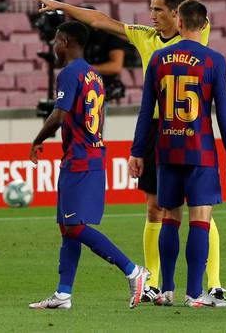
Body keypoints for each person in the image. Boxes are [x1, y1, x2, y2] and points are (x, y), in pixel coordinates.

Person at [34, 0, 226, 306]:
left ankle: (214, 281)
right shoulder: (144, 37)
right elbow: (99, 20)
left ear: (177, 14)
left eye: (157, 9)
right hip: (158, 131)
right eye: (150, 8)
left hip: (190, 129)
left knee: (198, 208)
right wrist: (60, 6)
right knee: (156, 206)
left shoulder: (197, 33)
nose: (150, 14)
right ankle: (154, 281)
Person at [28, 21, 149, 310]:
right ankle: (63, 294)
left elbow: (59, 115)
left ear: (66, 42)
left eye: (56, 40)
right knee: (66, 227)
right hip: (86, 154)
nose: (53, 46)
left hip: (81, 158)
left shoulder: (69, 74)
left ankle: (134, 271)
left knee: (74, 226)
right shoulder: (93, 74)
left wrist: (36, 140)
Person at [128, 0, 226, 307]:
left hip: (165, 149)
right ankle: (195, 293)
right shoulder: (214, 59)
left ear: (178, 23)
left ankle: (165, 289)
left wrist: (137, 151)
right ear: (204, 26)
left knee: (170, 218)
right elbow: (224, 110)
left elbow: (145, 108)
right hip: (200, 150)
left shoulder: (159, 58)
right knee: (200, 219)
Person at [80, 5, 127, 102]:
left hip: (106, 90)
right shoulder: (82, 38)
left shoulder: (111, 35)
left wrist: (87, 69)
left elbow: (116, 67)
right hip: (86, 90)